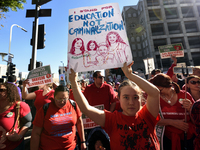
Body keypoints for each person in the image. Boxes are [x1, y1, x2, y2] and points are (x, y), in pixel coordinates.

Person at [69, 62, 161, 149]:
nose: (131, 102)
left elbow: (155, 93)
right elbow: (86, 109)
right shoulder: (112, 120)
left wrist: (130, 75)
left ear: (141, 99)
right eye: (126, 97)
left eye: (135, 97)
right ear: (119, 99)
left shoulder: (147, 116)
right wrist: (73, 82)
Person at [30, 85, 86, 150]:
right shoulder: (45, 109)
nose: (62, 102)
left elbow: (79, 123)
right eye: (58, 99)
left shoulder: (73, 105)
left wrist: (83, 141)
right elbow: (36, 133)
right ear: (54, 96)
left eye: (65, 99)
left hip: (71, 147)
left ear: (68, 97)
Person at [149, 73, 196, 150]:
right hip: (165, 139)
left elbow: (197, 119)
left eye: (160, 90)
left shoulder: (184, 95)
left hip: (187, 137)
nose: (158, 92)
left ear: (169, 86)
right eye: (155, 90)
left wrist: (190, 109)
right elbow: (150, 119)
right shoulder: (154, 98)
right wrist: (172, 122)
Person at [0, 83, 32, 150]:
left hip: (13, 146)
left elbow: (28, 122)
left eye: (1, 90)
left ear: (10, 92)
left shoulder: (20, 106)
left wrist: (19, 136)